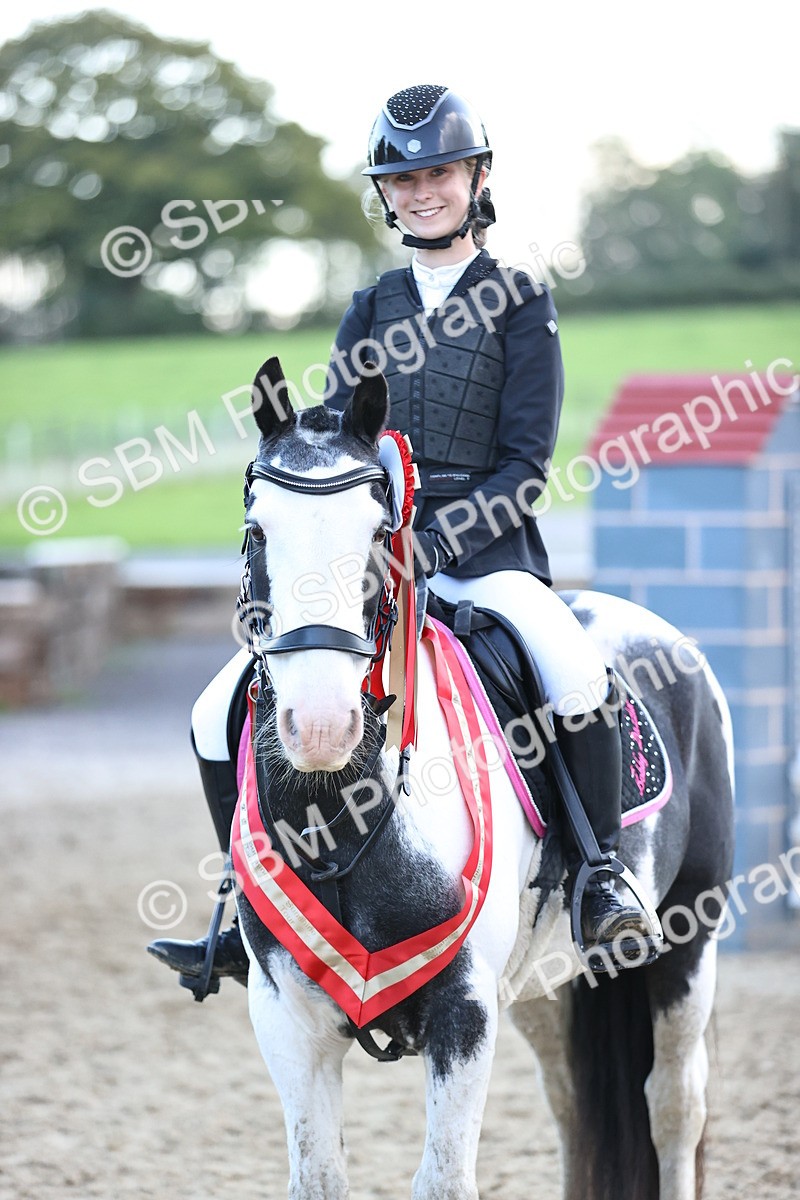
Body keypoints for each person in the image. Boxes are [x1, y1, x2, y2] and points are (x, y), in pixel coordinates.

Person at [148, 84, 651, 988]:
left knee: (575, 671)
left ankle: (601, 877)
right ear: (386, 193)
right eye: (404, 177)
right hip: (370, 567)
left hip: (486, 561)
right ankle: (242, 903)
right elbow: (341, 439)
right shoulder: (370, 305)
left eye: (440, 173)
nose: (423, 191)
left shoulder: (521, 301)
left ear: (477, 177)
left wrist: (434, 547)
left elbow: (526, 467)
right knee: (212, 711)